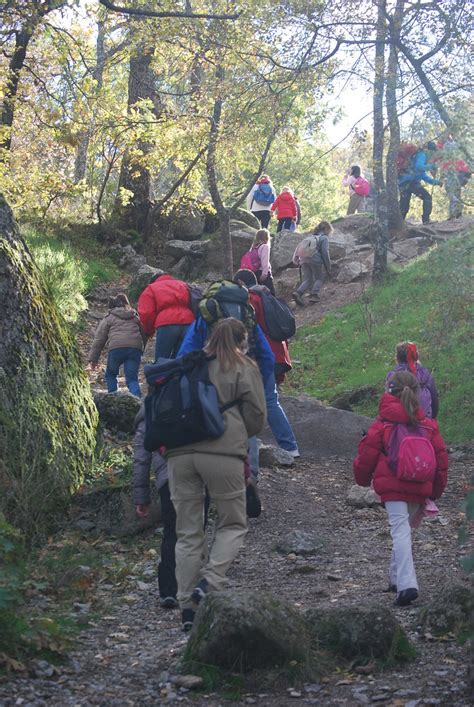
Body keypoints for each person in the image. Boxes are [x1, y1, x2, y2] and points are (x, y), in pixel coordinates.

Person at [165, 318, 267, 631]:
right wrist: (236, 436)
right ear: (242, 340)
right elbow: (257, 416)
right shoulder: (242, 366)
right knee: (233, 523)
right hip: (222, 455)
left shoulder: (189, 363)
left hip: (180, 454)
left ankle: (186, 608)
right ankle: (209, 581)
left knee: (188, 531)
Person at [178, 282, 300, 470]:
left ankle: (214, 464)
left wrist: (187, 376)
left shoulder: (207, 315)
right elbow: (265, 353)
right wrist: (262, 378)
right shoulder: (247, 315)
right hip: (245, 373)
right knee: (246, 422)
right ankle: (254, 472)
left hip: (212, 375)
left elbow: (187, 350)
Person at [353, 371, 448, 607]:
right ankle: (396, 577)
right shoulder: (428, 425)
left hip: (393, 483)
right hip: (419, 484)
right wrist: (434, 491)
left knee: (399, 530)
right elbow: (441, 461)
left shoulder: (382, 423)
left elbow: (366, 456)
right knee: (403, 529)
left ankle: (407, 584)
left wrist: (363, 479)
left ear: (389, 392)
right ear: (417, 392)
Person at [133, 406, 178, 609]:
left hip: (168, 479)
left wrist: (141, 496)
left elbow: (141, 458)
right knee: (196, 530)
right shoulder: (195, 389)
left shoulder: (150, 409)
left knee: (172, 532)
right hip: (198, 473)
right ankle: (192, 587)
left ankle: (169, 590)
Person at [233, 269, 292, 385]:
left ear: (240, 282)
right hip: (280, 353)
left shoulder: (251, 299)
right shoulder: (267, 295)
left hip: (265, 355)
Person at [88, 293, 144, 397]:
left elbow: (99, 339)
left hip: (116, 349)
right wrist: (141, 348)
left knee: (111, 374)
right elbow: (143, 332)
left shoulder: (109, 318)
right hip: (134, 349)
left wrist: (94, 359)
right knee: (132, 378)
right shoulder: (134, 316)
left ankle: (113, 398)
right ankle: (139, 402)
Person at [137, 273, 195, 362]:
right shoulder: (183, 285)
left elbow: (146, 313)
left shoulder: (151, 288)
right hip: (189, 323)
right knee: (180, 360)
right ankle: (177, 375)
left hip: (167, 323)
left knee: (162, 359)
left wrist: (149, 331)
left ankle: (161, 375)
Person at [385, 342, 439, 419]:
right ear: (416, 357)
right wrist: (433, 418)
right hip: (425, 418)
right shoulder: (424, 374)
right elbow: (434, 397)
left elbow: (387, 399)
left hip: (399, 419)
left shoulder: (392, 376)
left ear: (397, 358)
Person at [399, 141, 442, 225]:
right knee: (427, 197)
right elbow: (419, 167)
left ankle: (399, 223)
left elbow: (423, 176)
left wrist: (437, 182)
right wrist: (431, 167)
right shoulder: (422, 154)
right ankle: (426, 220)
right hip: (412, 182)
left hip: (403, 182)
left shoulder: (415, 156)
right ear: (431, 151)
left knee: (404, 204)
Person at [292, 220, 332, 305]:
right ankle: (314, 295)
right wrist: (328, 266)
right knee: (319, 278)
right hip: (315, 259)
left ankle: (298, 293)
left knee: (308, 279)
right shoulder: (324, 238)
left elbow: (298, 248)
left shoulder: (309, 237)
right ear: (327, 229)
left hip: (303, 259)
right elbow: (325, 252)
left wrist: (296, 259)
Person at [437, 137, 472, 220]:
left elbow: (443, 166)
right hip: (463, 171)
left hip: (455, 171)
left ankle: (454, 214)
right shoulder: (457, 145)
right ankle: (457, 214)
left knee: (451, 191)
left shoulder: (446, 148)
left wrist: (441, 178)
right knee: (456, 191)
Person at [240, 228, 275, 295]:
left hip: (254, 273)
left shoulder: (253, 247)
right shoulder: (265, 246)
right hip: (263, 273)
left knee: (258, 294)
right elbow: (265, 261)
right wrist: (265, 274)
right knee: (271, 294)